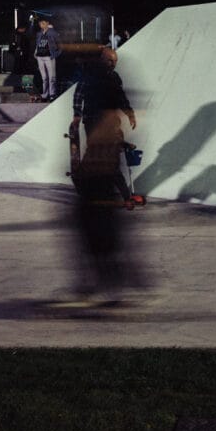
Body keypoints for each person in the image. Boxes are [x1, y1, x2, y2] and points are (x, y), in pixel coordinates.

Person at [64, 47, 143, 304]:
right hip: (95, 122)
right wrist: (77, 116)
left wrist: (128, 112)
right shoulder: (91, 76)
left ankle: (103, 280)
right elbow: (79, 94)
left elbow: (120, 95)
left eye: (115, 62)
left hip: (106, 127)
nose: (113, 65)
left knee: (108, 167)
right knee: (103, 167)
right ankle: (105, 279)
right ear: (103, 60)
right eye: (111, 61)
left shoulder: (112, 78)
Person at [34, 18, 63, 100]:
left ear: (47, 23)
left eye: (43, 23)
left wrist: (55, 54)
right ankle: (45, 94)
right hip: (40, 56)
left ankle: (52, 94)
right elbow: (37, 44)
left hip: (48, 56)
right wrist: (35, 53)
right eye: (40, 23)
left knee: (51, 77)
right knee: (44, 77)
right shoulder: (39, 33)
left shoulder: (52, 32)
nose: (41, 24)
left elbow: (60, 45)